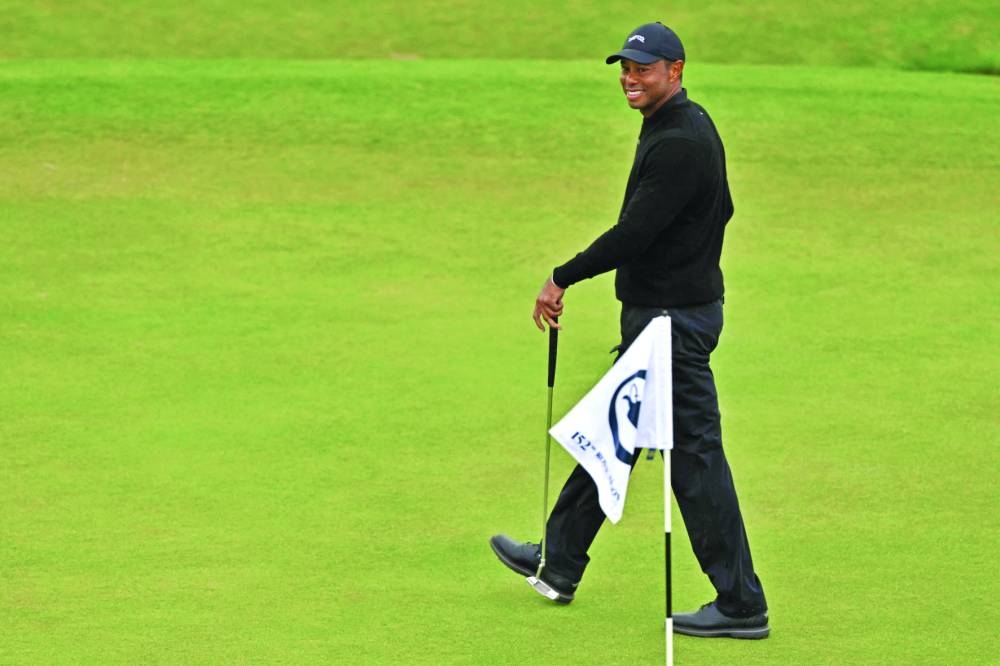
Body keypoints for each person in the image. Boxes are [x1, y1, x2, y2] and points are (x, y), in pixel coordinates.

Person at [489, 22, 770, 639]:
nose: (630, 79)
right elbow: (716, 211)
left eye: (643, 69)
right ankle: (557, 563)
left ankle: (742, 603)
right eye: (625, 68)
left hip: (672, 322)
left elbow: (634, 234)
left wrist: (561, 276)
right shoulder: (678, 125)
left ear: (676, 69)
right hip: (666, 314)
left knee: (695, 461)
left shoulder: (681, 142)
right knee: (610, 431)